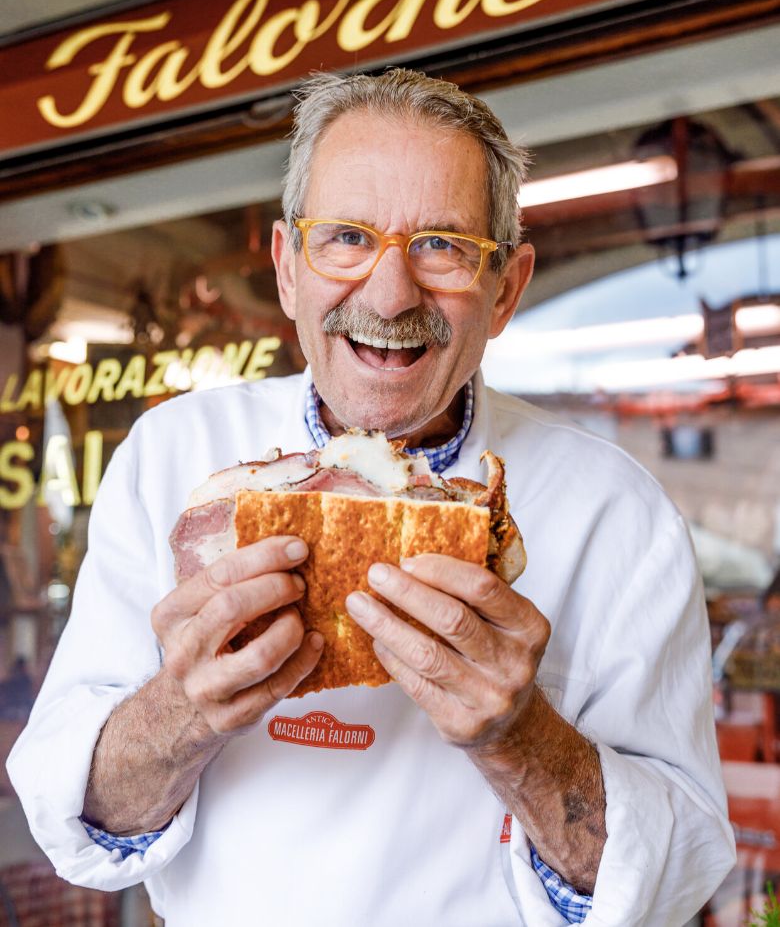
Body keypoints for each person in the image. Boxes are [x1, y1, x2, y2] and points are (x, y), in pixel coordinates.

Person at [7, 69, 734, 926]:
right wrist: (183, 711)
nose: (390, 296)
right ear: (286, 269)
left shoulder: (617, 513)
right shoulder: (173, 459)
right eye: (346, 237)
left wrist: (520, 739)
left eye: (442, 246)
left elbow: (678, 874)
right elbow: (71, 813)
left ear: (505, 289)